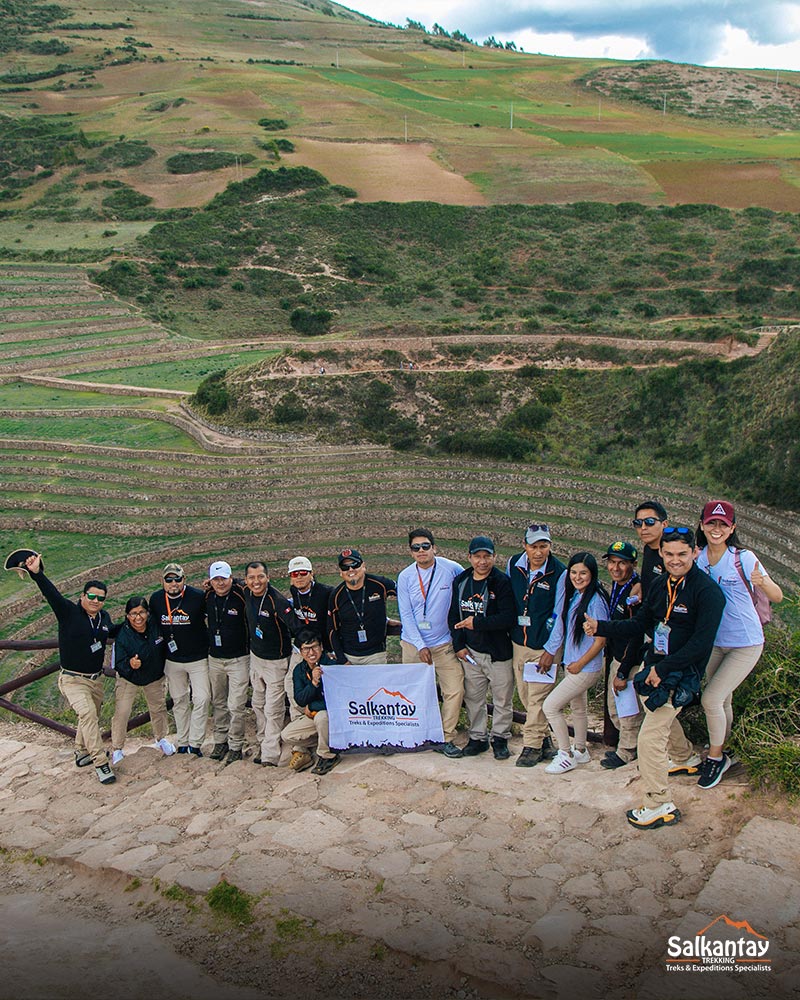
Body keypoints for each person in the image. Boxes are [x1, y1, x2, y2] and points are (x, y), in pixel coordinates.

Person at [585, 526, 726, 829]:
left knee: (649, 736)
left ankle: (658, 803)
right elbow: (640, 624)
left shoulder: (708, 593)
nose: (676, 560)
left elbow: (701, 644)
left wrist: (662, 671)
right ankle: (686, 758)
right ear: (662, 554)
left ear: (695, 553)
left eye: (683, 554)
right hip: (657, 666)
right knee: (655, 712)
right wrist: (602, 627)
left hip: (681, 673)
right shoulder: (662, 585)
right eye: (670, 554)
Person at [694, 500, 783, 789]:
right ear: (702, 525)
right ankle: (725, 747)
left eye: (723, 524)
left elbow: (778, 595)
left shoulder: (743, 558)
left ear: (732, 528)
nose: (716, 529)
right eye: (711, 523)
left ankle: (716, 756)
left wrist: (763, 583)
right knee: (723, 700)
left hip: (746, 642)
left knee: (710, 699)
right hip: (715, 643)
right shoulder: (699, 558)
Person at [24, 553, 117, 785]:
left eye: (101, 598)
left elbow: (113, 631)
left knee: (89, 717)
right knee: (87, 715)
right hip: (73, 679)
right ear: (83, 596)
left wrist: (140, 620)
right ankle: (100, 762)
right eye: (92, 596)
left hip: (96, 680)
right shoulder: (68, 613)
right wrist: (37, 573)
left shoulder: (103, 618)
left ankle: (81, 751)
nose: (96, 601)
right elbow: (51, 594)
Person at [397, 529, 464, 757]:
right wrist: (420, 645)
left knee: (454, 690)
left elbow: (468, 586)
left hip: (443, 644)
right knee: (413, 693)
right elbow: (405, 614)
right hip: (414, 645)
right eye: (416, 548)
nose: (421, 551)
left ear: (434, 548)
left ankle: (445, 737)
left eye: (425, 546)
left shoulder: (451, 569)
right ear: (411, 552)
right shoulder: (405, 576)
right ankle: (418, 733)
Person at [447, 536, 515, 760]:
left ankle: (500, 738)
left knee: (502, 699)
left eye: (487, 556)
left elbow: (507, 617)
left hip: (497, 653)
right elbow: (453, 616)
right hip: (471, 652)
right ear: (469, 558)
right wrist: (459, 645)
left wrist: (476, 623)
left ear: (494, 557)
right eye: (478, 557)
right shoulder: (462, 581)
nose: (482, 561)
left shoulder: (501, 582)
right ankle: (477, 738)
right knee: (474, 698)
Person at [540, 553, 609, 774]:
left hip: (585, 667)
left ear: (592, 574)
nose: (577, 577)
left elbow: (601, 640)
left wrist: (579, 664)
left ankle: (565, 753)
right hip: (574, 664)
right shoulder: (577, 595)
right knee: (578, 708)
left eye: (583, 573)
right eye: (574, 573)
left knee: (550, 706)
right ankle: (580, 749)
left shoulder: (595, 600)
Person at [506, 523, 566, 767]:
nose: (539, 552)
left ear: (550, 546)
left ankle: (531, 746)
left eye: (544, 546)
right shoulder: (513, 565)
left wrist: (551, 650)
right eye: (534, 546)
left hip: (544, 645)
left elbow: (560, 612)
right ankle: (545, 742)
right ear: (525, 546)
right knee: (525, 694)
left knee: (537, 699)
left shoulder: (559, 572)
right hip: (519, 642)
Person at [149, 563, 209, 757]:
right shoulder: (157, 599)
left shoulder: (198, 596)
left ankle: (196, 742)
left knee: (202, 698)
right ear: (162, 581)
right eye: (169, 579)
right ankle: (183, 742)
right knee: (179, 700)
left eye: (177, 579)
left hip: (198, 657)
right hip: (172, 659)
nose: (173, 583)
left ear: (185, 579)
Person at [111, 596, 175, 765]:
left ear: (148, 613)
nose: (138, 617)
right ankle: (117, 748)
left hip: (154, 676)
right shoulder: (123, 635)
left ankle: (161, 739)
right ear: (127, 615)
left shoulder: (156, 625)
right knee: (122, 712)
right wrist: (130, 664)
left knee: (158, 708)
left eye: (141, 613)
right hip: (129, 678)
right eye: (133, 614)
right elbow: (118, 662)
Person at [244, 560, 295, 766]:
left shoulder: (277, 601)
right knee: (257, 704)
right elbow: (233, 583)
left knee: (273, 709)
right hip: (256, 658)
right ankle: (263, 742)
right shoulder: (246, 592)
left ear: (268, 577)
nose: (256, 582)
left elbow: (295, 625)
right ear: (246, 580)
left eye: (260, 577)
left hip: (276, 662)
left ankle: (270, 755)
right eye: (252, 578)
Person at [600, 541, 644, 770]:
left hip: (628, 658)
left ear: (633, 565)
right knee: (615, 708)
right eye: (612, 562)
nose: (615, 568)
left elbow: (636, 634)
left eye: (622, 563)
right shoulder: (619, 587)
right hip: (617, 656)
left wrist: (624, 670)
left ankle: (627, 751)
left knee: (627, 710)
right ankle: (629, 747)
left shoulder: (635, 594)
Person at [205, 560, 249, 765]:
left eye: (224, 578)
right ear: (211, 581)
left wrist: (240, 582)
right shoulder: (208, 596)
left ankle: (236, 745)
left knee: (236, 704)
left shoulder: (240, 595)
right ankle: (220, 740)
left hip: (239, 659)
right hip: (215, 658)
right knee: (219, 702)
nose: (220, 583)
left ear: (231, 578)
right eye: (216, 579)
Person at [280, 628, 340, 775]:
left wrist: (313, 706)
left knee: (321, 717)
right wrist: (313, 682)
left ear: (321, 647)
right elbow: (300, 699)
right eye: (306, 649)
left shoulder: (332, 666)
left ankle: (327, 755)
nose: (311, 653)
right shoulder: (299, 670)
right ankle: (327, 741)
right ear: (300, 651)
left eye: (314, 647)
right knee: (287, 735)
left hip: (332, 715)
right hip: (313, 716)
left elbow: (338, 700)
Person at [328, 548, 397, 665]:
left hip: (376, 654)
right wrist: (342, 659)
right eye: (345, 567)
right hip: (349, 655)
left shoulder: (380, 584)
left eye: (355, 565)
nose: (351, 569)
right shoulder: (336, 595)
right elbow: (331, 629)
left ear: (363, 566)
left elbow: (406, 596)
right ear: (340, 572)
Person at [632, 500, 669, 600]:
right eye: (638, 523)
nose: (643, 528)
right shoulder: (648, 548)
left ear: (664, 524)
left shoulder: (671, 556)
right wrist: (640, 584)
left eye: (650, 522)